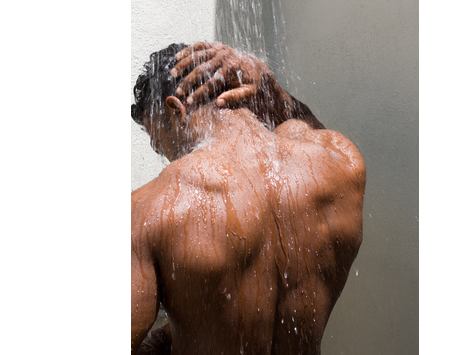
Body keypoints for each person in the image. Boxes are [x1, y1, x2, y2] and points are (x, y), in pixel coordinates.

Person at [131, 42, 365, 355]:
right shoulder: (340, 163)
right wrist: (271, 89)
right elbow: (308, 126)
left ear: (176, 110)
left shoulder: (150, 208)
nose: (165, 158)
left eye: (159, 145)